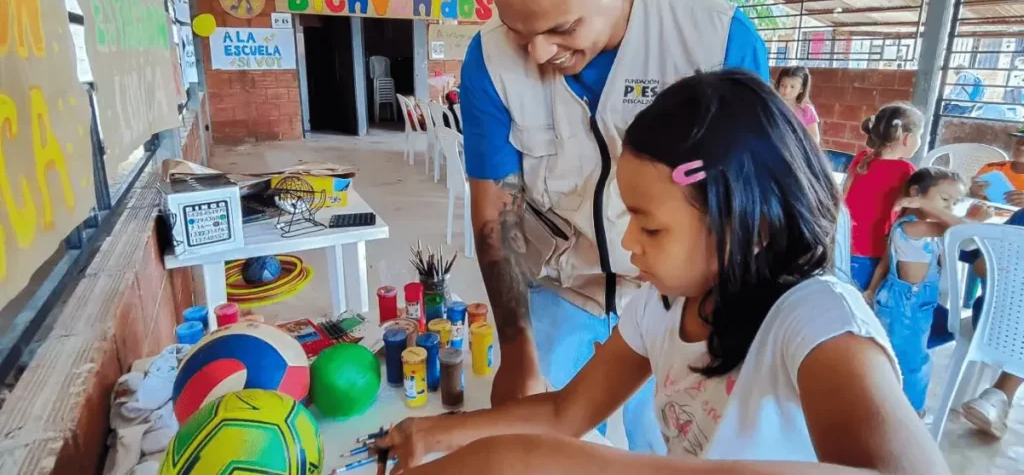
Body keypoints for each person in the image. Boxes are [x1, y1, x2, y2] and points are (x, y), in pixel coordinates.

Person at [376, 71, 949, 475]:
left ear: (750, 226)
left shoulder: (818, 322)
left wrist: (549, 463)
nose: (628, 245)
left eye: (651, 229)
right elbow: (564, 412)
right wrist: (440, 433)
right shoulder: (665, 305)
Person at [459, 0, 767, 452]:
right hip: (558, 287)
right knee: (543, 441)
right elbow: (494, 217)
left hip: (680, 300)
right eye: (519, 31)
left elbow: (744, 213)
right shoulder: (489, 62)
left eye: (561, 28)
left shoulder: (717, 40)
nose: (540, 54)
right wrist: (518, 350)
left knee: (675, 446)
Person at [862, 167, 969, 415]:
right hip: (907, 307)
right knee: (911, 362)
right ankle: (908, 413)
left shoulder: (917, 226)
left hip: (907, 302)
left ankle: (888, 406)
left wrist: (870, 289)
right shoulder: (914, 228)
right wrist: (926, 206)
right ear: (916, 193)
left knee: (900, 356)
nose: (948, 209)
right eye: (944, 200)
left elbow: (886, 262)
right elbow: (964, 231)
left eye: (954, 203)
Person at [958, 206, 1024, 438]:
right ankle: (998, 395)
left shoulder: (1021, 216)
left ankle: (997, 400)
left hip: (989, 322)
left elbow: (980, 266)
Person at [843, 103, 923, 291]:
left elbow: (843, 197)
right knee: (865, 301)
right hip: (875, 251)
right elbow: (908, 215)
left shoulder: (862, 157)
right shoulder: (906, 170)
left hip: (845, 242)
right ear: (908, 138)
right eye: (919, 135)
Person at [969, 124, 1024, 207]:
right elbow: (974, 202)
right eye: (1019, 140)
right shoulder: (992, 168)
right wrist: (974, 193)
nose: (1021, 146)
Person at [775, 66, 820, 144]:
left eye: (792, 87)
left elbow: (814, 139)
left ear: (801, 89)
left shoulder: (807, 110)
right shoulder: (772, 106)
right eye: (783, 85)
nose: (786, 90)